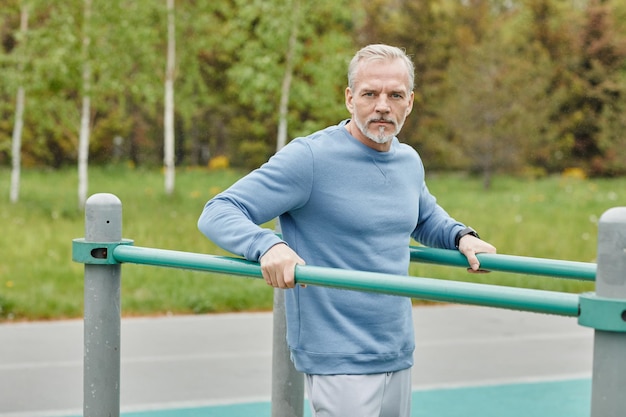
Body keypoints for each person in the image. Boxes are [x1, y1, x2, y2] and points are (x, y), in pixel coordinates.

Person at [198, 44, 496, 417]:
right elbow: (219, 210)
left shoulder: (408, 159)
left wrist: (460, 236)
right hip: (337, 355)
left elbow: (423, 217)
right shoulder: (310, 158)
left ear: (411, 102)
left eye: (395, 95)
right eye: (370, 94)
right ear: (349, 98)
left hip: (396, 348)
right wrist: (267, 245)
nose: (383, 106)